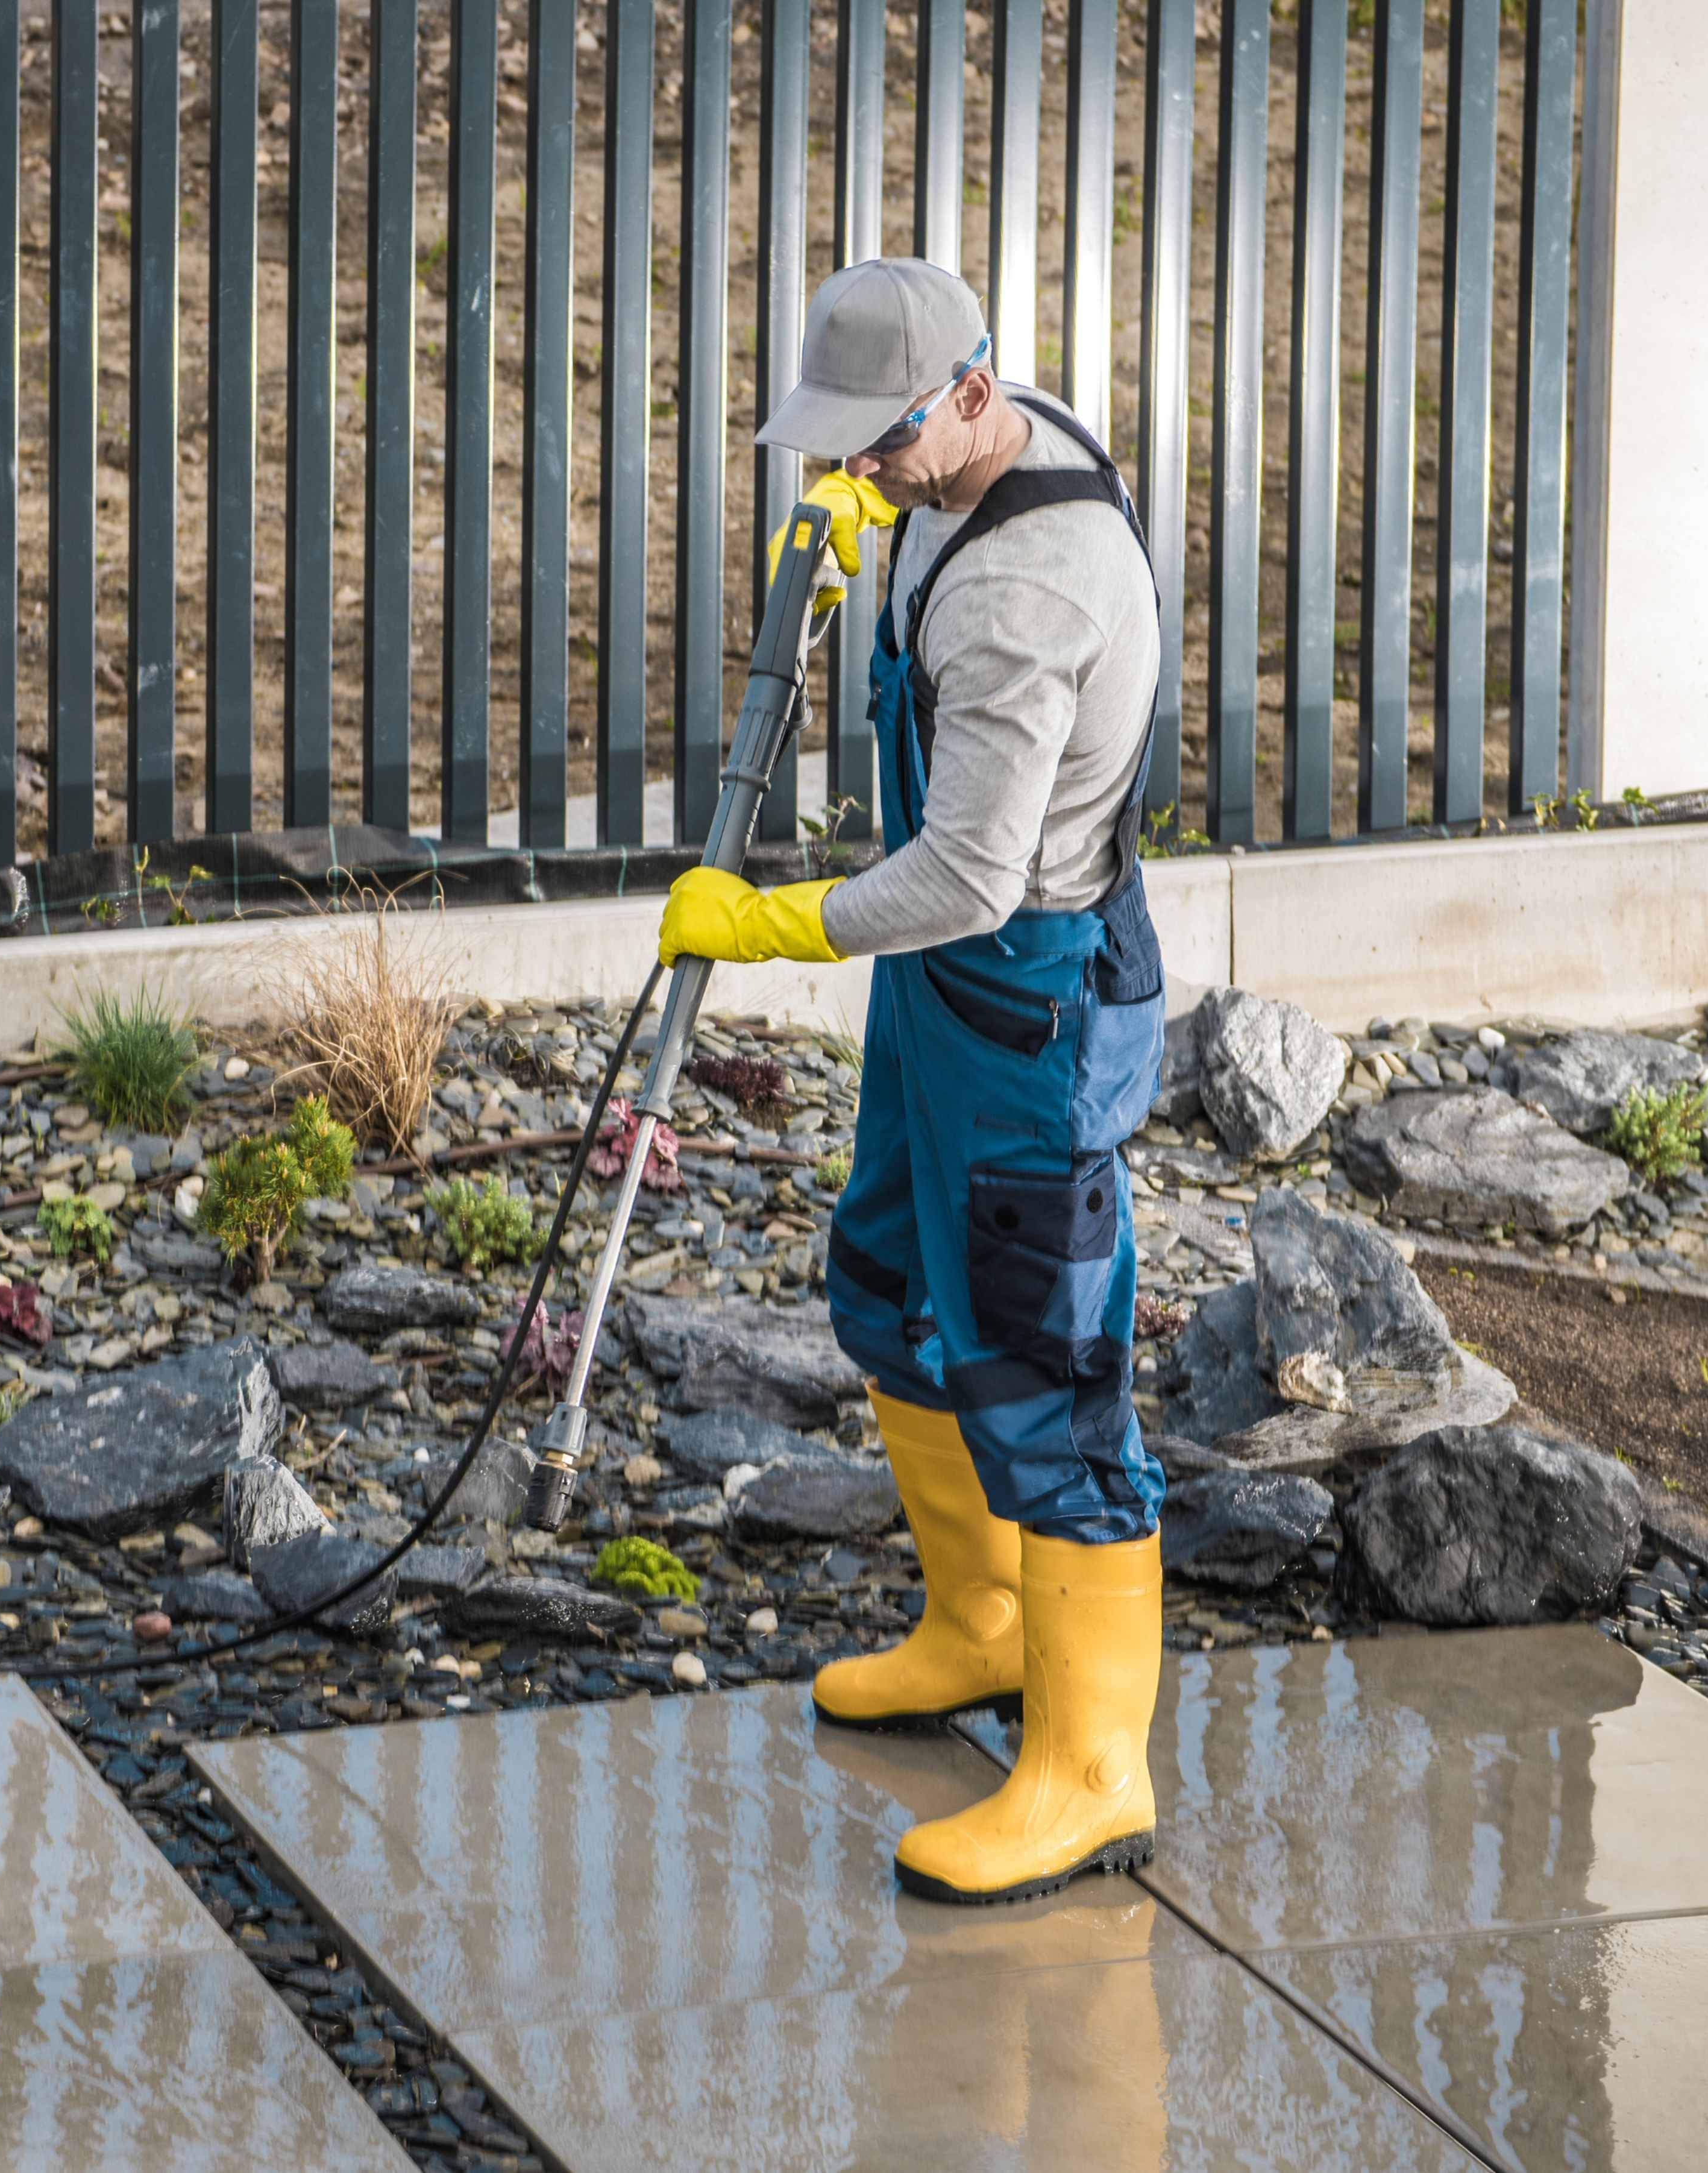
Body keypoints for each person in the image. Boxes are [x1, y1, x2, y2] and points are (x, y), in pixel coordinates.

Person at [656, 257, 1168, 1907]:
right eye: (838, 449)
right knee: (883, 1286)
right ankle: (978, 1623)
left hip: (1018, 998)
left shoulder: (1024, 597)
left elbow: (965, 878)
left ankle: (1088, 1771)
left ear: (967, 390)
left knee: (1043, 1365)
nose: (851, 472)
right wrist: (881, 531)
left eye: (873, 446)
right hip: (937, 1005)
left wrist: (768, 921)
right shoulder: (986, 449)